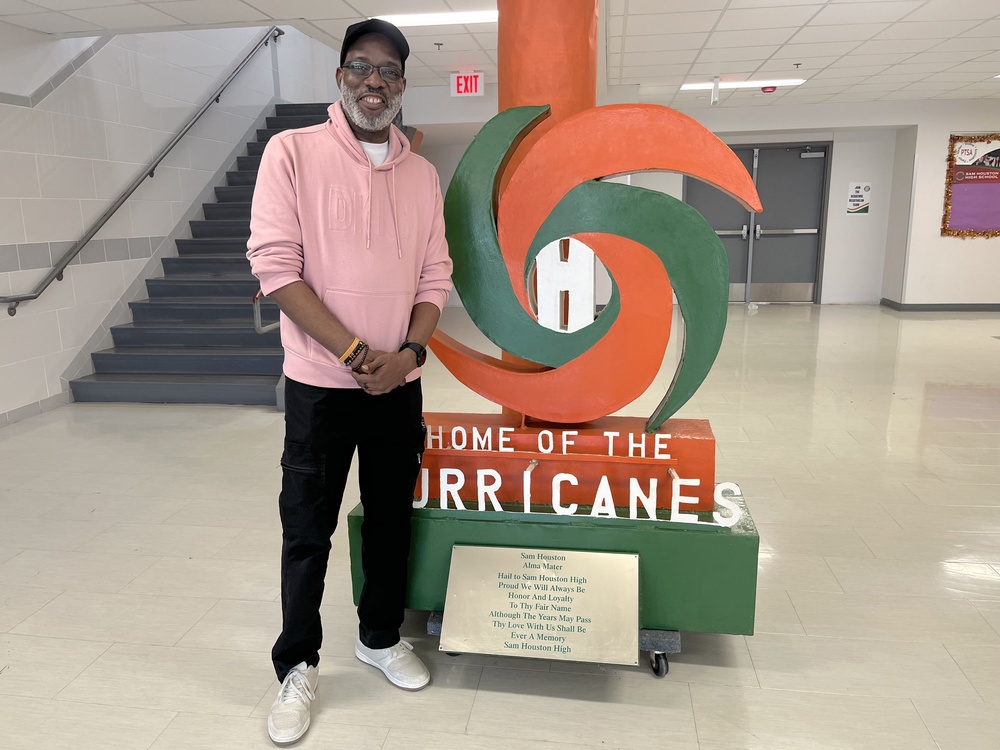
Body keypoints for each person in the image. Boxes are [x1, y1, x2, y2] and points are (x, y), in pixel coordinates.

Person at [246, 18, 453, 746]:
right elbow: (275, 268)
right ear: (340, 79)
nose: (375, 82)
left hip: (399, 383)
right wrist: (359, 353)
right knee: (308, 530)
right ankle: (296, 663)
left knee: (391, 519)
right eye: (361, 68)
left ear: (401, 85)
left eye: (389, 71)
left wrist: (409, 356)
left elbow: (435, 277)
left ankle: (379, 635)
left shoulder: (422, 174)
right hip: (317, 385)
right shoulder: (291, 153)